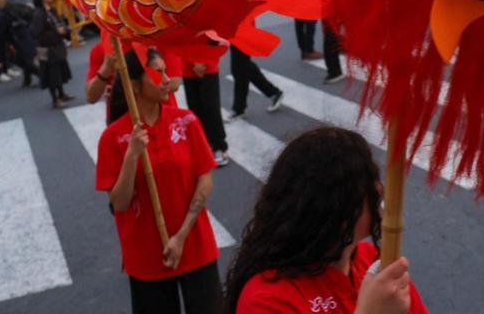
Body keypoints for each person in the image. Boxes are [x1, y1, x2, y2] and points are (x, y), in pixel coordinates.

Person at [225, 127, 427, 313]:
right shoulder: (264, 299)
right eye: (364, 180)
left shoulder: (373, 259)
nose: (379, 189)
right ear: (329, 205)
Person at [95, 48, 221, 314]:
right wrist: (132, 156)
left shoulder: (186, 121)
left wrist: (181, 235)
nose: (167, 79)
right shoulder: (112, 139)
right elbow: (119, 203)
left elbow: (204, 180)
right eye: (158, 73)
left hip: (195, 246)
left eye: (165, 71)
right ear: (134, 84)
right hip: (146, 256)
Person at [181, 45, 230, 168]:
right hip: (186, 62)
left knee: (211, 108)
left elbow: (212, 32)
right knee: (194, 108)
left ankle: (219, 146)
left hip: (206, 61)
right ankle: (204, 145)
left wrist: (200, 60)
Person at [33, 0, 74, 108]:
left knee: (60, 70)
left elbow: (60, 22)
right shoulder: (38, 14)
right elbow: (38, 33)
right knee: (51, 73)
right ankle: (54, 98)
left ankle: (61, 93)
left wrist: (64, 30)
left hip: (56, 45)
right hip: (46, 48)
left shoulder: (52, 9)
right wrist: (56, 32)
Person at [226, 44, 283, 121]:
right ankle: (273, 93)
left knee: (240, 67)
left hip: (240, 34)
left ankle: (239, 109)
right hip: (236, 35)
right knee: (243, 65)